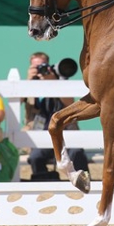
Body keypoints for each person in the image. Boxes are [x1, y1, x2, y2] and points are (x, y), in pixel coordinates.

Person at [25, 52, 89, 181]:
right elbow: (19, 99)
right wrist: (28, 80)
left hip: (66, 130)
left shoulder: (60, 79)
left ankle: (84, 181)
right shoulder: (27, 84)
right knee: (35, 157)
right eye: (35, 67)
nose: (40, 70)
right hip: (42, 132)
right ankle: (44, 182)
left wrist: (54, 82)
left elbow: (70, 103)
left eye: (42, 66)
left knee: (76, 153)